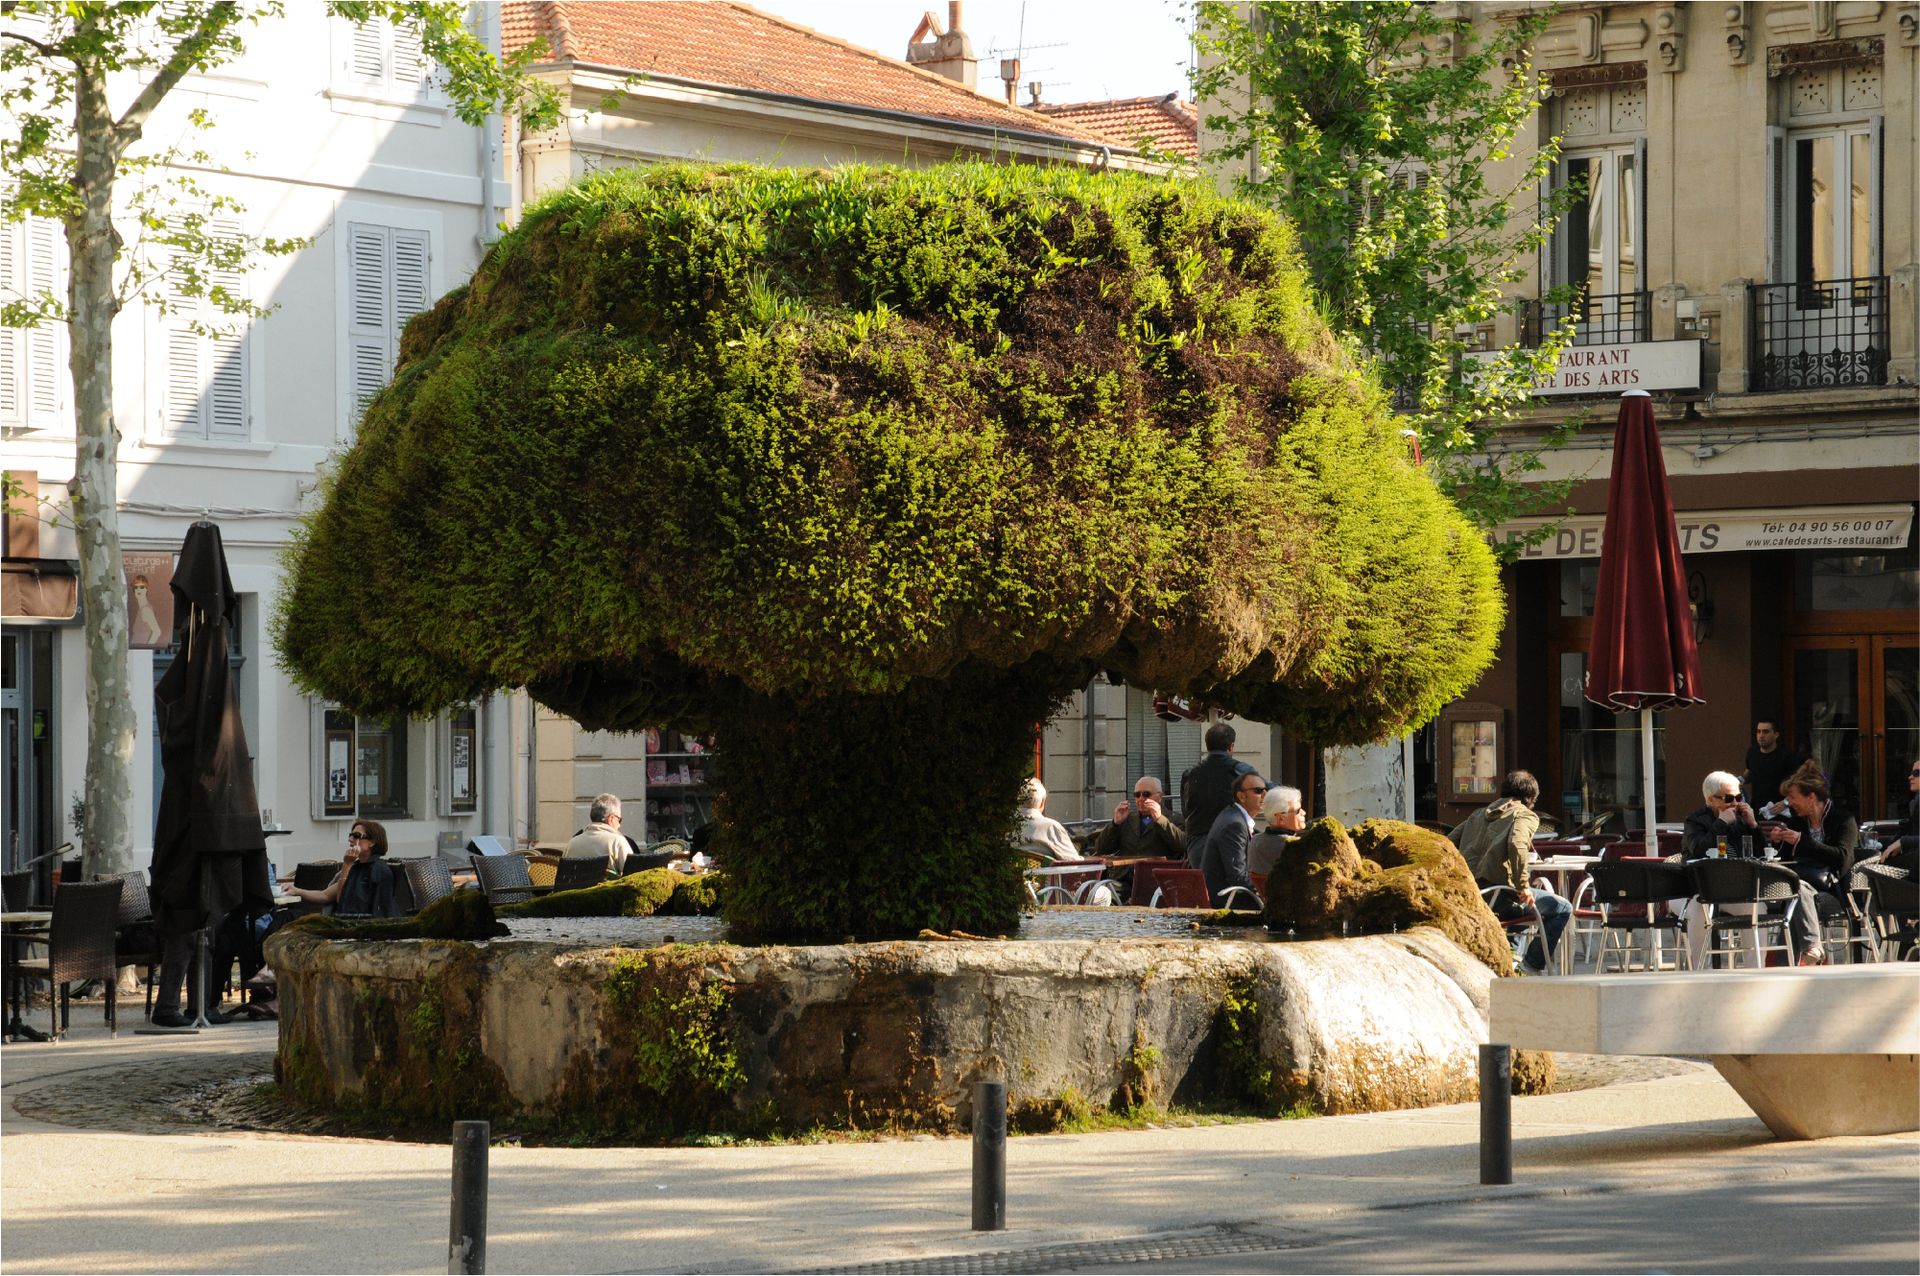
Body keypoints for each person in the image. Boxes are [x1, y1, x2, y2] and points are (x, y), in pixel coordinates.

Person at [1450, 770, 1569, 974]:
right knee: (1561, 907)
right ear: (1531, 798)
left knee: (1523, 905)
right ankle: (1530, 965)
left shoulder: (1477, 815)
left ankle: (1511, 954)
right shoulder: (1525, 814)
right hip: (1498, 899)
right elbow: (1517, 844)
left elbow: (1448, 841)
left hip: (1470, 895)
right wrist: (1523, 886)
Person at [1769, 759, 1858, 966]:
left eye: (1793, 797)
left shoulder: (1843, 820)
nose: (1789, 803)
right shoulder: (1796, 822)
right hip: (1802, 889)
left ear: (1811, 797)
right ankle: (1805, 955)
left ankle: (1796, 959)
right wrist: (1778, 843)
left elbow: (1842, 858)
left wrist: (1802, 841)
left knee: (1795, 891)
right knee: (1794, 890)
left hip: (1833, 893)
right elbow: (1785, 862)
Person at [284, 820, 399, 918]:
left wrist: (347, 865)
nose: (350, 839)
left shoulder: (379, 870)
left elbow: (344, 901)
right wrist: (296, 890)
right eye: (350, 835)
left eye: (356, 836)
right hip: (347, 921)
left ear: (372, 842)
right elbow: (326, 895)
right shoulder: (356, 867)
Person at [1179, 722, 1256, 854]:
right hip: (1231, 839)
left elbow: (1186, 810)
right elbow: (1264, 793)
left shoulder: (1190, 774)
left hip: (1197, 844)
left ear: (1207, 746)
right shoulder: (1240, 771)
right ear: (1231, 747)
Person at [1197, 771, 1267, 908]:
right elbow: (1238, 877)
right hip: (1228, 901)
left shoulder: (1233, 816)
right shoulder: (1234, 825)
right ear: (1242, 796)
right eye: (1258, 791)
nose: (1265, 794)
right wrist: (1268, 891)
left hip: (1231, 896)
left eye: (1266, 790)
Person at [1092, 776, 1189, 861]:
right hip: (1125, 877)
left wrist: (1160, 820)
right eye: (1137, 795)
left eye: (1146, 794)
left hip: (1155, 876)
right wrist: (1115, 824)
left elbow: (1184, 845)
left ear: (1159, 797)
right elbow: (1101, 849)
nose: (1141, 799)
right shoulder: (1128, 819)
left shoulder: (1174, 818)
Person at [1681, 771, 1764, 859]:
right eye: (1729, 798)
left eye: (1739, 797)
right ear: (1711, 800)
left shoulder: (1742, 819)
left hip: (1739, 870)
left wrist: (1754, 826)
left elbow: (1763, 854)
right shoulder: (1695, 821)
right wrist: (1721, 822)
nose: (1735, 803)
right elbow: (1700, 852)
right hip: (1707, 871)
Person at [1742, 719, 1806, 811]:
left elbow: (1799, 784)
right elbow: (1748, 773)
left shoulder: (1786, 756)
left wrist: (1786, 802)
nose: (1761, 735)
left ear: (1776, 734)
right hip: (1757, 808)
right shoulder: (1752, 753)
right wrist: (1736, 781)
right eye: (1758, 731)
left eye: (1765, 732)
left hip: (1779, 810)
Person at [1014, 778, 1081, 863]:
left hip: (1008, 876)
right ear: (1042, 802)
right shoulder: (1051, 827)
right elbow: (1074, 863)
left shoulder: (1001, 827)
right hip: (1044, 876)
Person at [1248, 784, 1305, 878]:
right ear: (1281, 818)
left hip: (1262, 892)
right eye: (1298, 810)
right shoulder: (1295, 845)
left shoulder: (1255, 840)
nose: (1303, 812)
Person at [568, 793, 630, 874]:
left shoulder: (572, 844)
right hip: (606, 887)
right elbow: (634, 877)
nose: (619, 825)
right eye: (619, 820)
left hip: (576, 887)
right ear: (611, 819)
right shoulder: (617, 842)